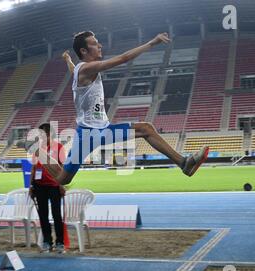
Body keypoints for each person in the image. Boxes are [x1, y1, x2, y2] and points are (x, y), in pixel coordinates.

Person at [34, 31, 209, 185]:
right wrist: (152, 43)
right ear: (84, 51)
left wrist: (67, 59)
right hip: (87, 135)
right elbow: (123, 58)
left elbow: (73, 71)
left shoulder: (81, 70)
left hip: (103, 129)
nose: (100, 45)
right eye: (95, 43)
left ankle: (184, 164)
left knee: (146, 129)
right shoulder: (87, 69)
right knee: (63, 179)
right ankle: (37, 150)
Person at [29, 123, 66, 253]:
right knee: (43, 216)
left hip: (54, 186)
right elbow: (34, 168)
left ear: (50, 134)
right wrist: (31, 186)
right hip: (39, 186)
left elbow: (63, 168)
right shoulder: (37, 149)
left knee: (57, 215)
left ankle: (60, 243)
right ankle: (47, 242)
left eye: (43, 133)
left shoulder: (59, 147)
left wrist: (62, 185)